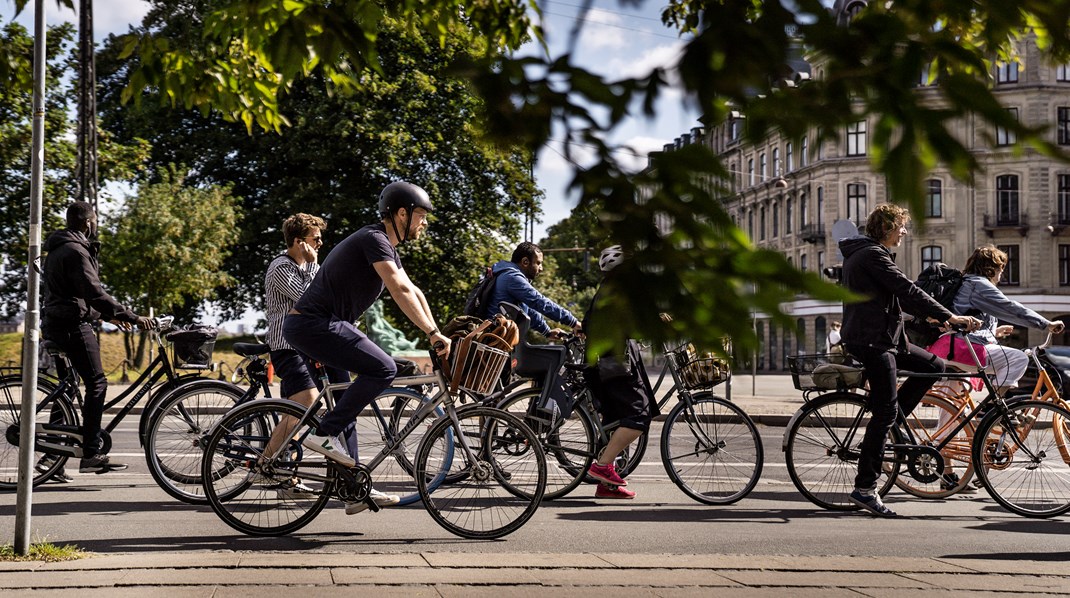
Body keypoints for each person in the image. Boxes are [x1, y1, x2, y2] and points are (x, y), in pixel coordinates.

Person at [283, 181, 450, 515]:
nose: (424, 223)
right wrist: (431, 333)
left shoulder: (385, 245)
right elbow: (399, 290)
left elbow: (413, 291)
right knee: (384, 368)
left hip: (320, 326)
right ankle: (324, 433)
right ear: (401, 213)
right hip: (316, 324)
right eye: (420, 216)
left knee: (347, 403)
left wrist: (438, 332)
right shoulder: (374, 239)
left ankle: (353, 487)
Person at [839, 204, 980, 517]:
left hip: (882, 337)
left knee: (934, 366)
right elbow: (907, 289)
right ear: (888, 228)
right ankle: (865, 488)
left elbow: (894, 302)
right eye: (901, 227)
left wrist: (930, 323)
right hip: (872, 341)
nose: (904, 232)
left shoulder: (867, 254)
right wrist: (949, 315)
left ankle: (890, 425)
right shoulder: (872, 255)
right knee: (885, 408)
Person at [41, 201, 156, 475]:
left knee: (68, 390)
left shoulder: (59, 249)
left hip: (57, 323)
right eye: (94, 221)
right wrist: (132, 316)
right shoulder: (76, 251)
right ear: (88, 223)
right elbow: (93, 292)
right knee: (97, 383)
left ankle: (51, 459)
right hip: (71, 326)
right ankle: (91, 452)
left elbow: (75, 295)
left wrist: (106, 316)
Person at [262, 213, 352, 498]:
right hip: (286, 347)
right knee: (306, 405)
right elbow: (309, 298)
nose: (321, 243)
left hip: (304, 347)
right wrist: (314, 266)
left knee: (296, 414)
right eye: (316, 239)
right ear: (300, 242)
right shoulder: (281, 267)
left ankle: (283, 477)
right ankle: (265, 464)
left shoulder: (306, 266)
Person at [582, 245, 658, 499]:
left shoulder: (606, 290)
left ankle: (606, 485)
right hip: (614, 365)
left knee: (614, 420)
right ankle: (601, 466)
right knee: (638, 416)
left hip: (602, 365)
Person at [952, 245, 1065, 394]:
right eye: (1001, 267)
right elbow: (1010, 308)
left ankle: (975, 415)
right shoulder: (978, 284)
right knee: (1018, 359)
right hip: (962, 346)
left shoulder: (967, 283)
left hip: (950, 345)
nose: (1002, 272)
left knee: (952, 407)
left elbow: (968, 315)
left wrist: (994, 331)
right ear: (990, 268)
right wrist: (1046, 324)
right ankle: (992, 408)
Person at [484, 242, 582, 339]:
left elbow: (527, 309)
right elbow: (539, 302)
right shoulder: (512, 278)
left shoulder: (507, 274)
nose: (541, 268)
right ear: (525, 262)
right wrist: (573, 322)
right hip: (493, 340)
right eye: (538, 263)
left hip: (497, 338)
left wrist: (547, 332)